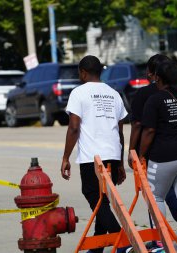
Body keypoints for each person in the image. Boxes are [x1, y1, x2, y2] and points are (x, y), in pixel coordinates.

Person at [61, 55, 127, 253]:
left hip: (92, 159)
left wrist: (65, 158)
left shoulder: (78, 93)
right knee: (103, 201)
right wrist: (120, 163)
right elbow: (120, 132)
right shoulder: (114, 94)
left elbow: (74, 128)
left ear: (82, 72)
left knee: (95, 198)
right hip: (113, 156)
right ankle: (97, 248)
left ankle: (123, 240)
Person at [139, 61, 177, 253]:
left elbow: (149, 130)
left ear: (157, 76)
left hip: (165, 155)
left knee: (155, 197)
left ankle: (159, 244)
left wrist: (141, 154)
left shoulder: (155, 100)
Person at [128, 54, 177, 244]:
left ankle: (158, 239)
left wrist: (133, 152)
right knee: (173, 192)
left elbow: (138, 126)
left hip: (152, 152)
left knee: (154, 195)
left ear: (150, 73)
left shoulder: (142, 95)